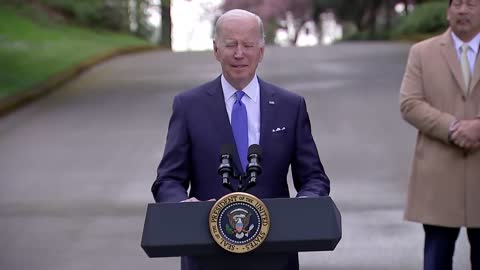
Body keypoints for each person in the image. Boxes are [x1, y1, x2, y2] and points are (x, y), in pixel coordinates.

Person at [151, 9, 330, 270]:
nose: (239, 54)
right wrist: (181, 205)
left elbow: (314, 177)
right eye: (230, 44)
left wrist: (305, 206)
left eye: (247, 45)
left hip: (274, 253)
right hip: (207, 252)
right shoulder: (189, 106)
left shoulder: (290, 106)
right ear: (215, 50)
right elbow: (167, 179)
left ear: (261, 51)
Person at [399, 0, 480, 269]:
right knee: (436, 258)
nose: (463, 10)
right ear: (447, 11)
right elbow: (410, 103)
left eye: (471, 4)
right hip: (438, 175)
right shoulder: (423, 52)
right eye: (457, 3)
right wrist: (453, 127)